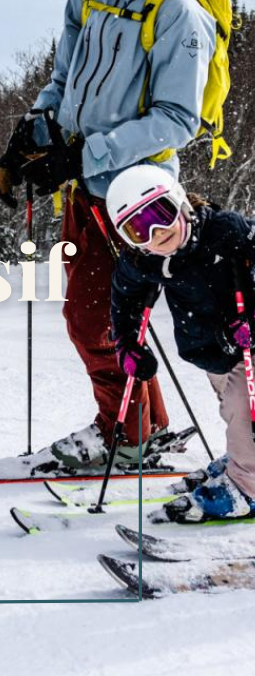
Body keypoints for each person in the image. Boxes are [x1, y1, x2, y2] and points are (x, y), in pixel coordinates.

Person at [0, 0, 224, 469]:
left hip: (141, 196)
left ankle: (125, 432)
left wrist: (84, 154)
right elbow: (63, 82)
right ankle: (139, 424)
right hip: (85, 191)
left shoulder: (177, 12)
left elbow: (178, 120)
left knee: (104, 319)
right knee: (91, 315)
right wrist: (31, 136)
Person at [107, 163, 255, 521]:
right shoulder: (144, 261)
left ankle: (248, 484)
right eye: (138, 229)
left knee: (243, 407)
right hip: (209, 347)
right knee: (229, 402)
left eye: (160, 214)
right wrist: (126, 342)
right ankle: (244, 456)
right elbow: (124, 298)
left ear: (179, 202)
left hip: (246, 339)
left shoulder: (226, 232)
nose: (156, 233)